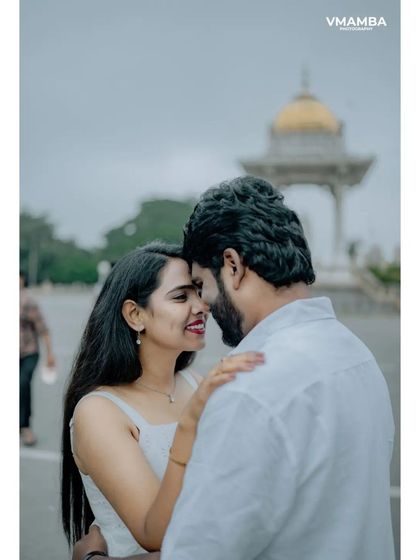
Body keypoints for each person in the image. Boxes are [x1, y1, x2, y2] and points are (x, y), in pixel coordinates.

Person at [75, 176, 395, 560]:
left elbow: (196, 552)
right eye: (182, 294)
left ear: (233, 265)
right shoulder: (355, 356)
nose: (203, 305)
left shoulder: (247, 388)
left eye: (200, 285)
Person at [61, 242, 264, 557]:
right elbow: (156, 535)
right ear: (135, 314)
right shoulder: (99, 412)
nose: (201, 306)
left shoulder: (195, 383)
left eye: (198, 291)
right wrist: (190, 423)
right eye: (181, 296)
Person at [20, 270, 56, 446]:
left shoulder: (28, 302)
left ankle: (25, 427)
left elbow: (43, 330)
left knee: (22, 384)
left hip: (29, 352)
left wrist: (50, 354)